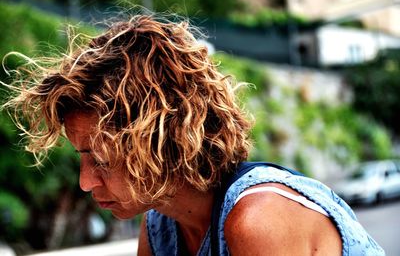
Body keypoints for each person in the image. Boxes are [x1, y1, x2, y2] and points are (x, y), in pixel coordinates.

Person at [1, 14, 384, 256]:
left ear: (160, 140)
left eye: (101, 159)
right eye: (82, 158)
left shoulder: (258, 220)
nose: (85, 181)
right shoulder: (161, 227)